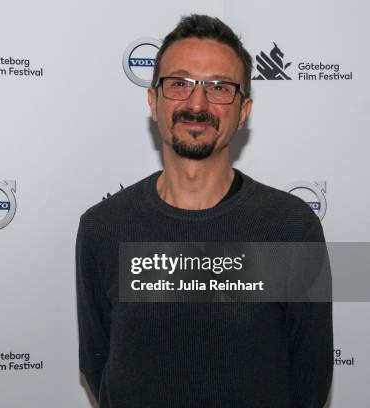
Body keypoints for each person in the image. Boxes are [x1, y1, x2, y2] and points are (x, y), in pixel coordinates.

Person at [76, 14, 333, 407]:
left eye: (219, 87)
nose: (197, 103)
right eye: (179, 84)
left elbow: (310, 379)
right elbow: (101, 367)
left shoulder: (290, 228)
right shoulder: (102, 228)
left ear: (243, 110)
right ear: (153, 100)